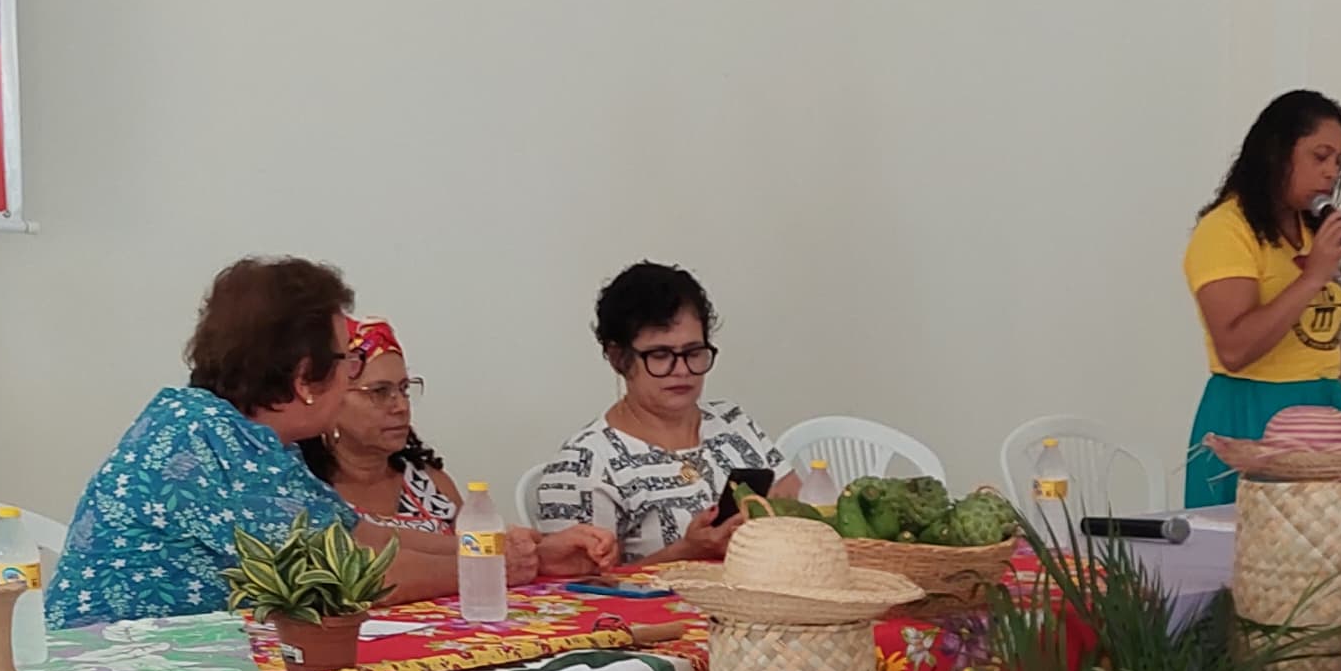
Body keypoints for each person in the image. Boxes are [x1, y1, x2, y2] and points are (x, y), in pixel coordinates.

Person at [51, 256, 563, 627]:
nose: (352, 374)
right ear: (303, 378)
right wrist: (491, 569)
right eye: (349, 362)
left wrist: (511, 549)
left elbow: (360, 535)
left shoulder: (232, 431)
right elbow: (352, 573)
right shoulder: (209, 439)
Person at [531, 262, 792, 566]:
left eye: (693, 352)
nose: (682, 370)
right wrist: (686, 551)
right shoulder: (585, 463)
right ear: (618, 358)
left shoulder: (732, 423)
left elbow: (804, 508)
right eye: (660, 355)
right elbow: (580, 588)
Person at [1181, 87, 1341, 504]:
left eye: (1339, 162)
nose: (1331, 172)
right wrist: (1311, 277)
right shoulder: (1225, 230)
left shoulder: (1310, 231)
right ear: (1277, 152)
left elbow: (1327, 341)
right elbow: (1234, 348)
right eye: (1320, 157)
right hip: (1255, 413)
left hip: (1326, 415)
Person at [299, 319, 460, 534]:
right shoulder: (303, 491)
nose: (402, 406)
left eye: (404, 389)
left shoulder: (432, 483)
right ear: (331, 399)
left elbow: (481, 550)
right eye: (379, 392)